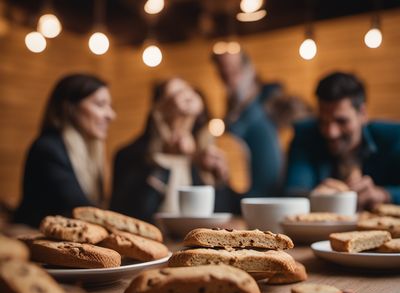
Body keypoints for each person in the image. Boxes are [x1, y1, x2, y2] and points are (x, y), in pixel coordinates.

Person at [110, 77, 237, 222]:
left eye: (188, 91)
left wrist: (219, 179)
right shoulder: (130, 155)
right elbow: (130, 213)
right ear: (158, 109)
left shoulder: (202, 156)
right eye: (174, 94)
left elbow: (222, 213)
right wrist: (164, 161)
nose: (184, 97)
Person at [285, 71, 400, 209]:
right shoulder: (305, 134)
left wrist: (384, 194)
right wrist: (316, 195)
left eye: (341, 121)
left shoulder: (393, 137)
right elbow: (293, 190)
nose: (331, 132)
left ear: (362, 114)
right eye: (323, 121)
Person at [13, 73, 116, 227]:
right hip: (36, 243)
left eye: (110, 106)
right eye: (100, 105)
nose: (111, 115)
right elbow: (82, 211)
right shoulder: (48, 149)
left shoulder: (90, 152)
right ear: (70, 108)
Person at [212, 49, 284, 197]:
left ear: (248, 69)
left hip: (265, 194)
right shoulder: (234, 108)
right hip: (244, 193)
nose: (230, 79)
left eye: (234, 71)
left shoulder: (266, 107)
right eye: (224, 74)